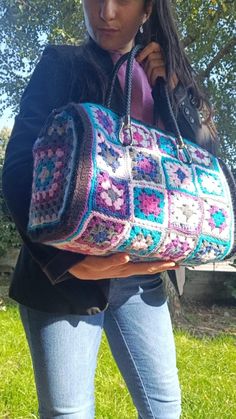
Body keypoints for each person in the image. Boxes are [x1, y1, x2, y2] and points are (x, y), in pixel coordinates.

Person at [2, 1, 217, 418]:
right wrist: (67, 261)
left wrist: (176, 96)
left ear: (147, 8)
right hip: (65, 278)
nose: (107, 12)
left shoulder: (167, 79)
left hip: (143, 277)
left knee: (164, 408)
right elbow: (19, 169)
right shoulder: (61, 65)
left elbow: (204, 168)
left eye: (123, 0)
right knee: (69, 412)